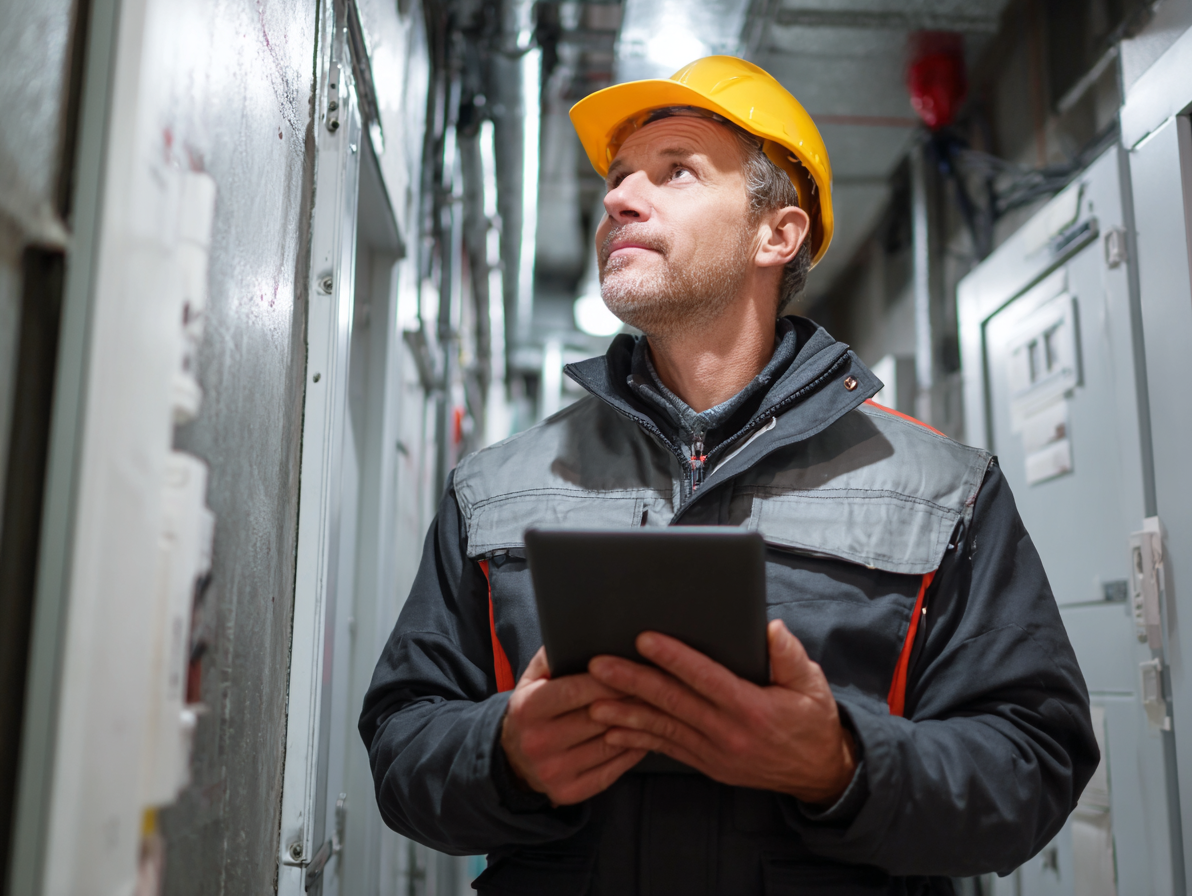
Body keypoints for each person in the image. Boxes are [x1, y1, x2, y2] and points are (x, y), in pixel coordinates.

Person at [360, 56, 1098, 895]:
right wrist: (503, 755)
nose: (617, 200)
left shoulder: (940, 490)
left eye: (674, 170)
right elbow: (399, 742)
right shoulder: (493, 488)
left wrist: (842, 764)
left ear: (775, 235)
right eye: (618, 176)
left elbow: (1033, 766)